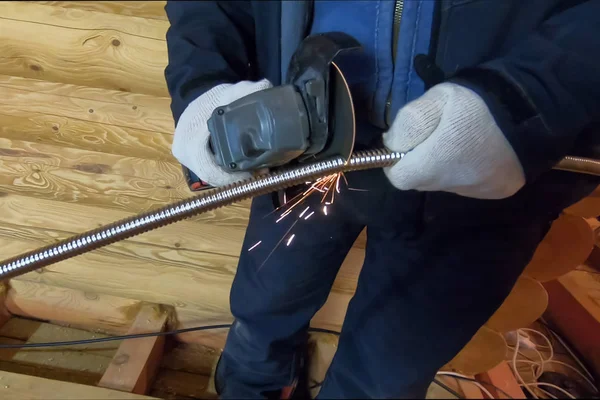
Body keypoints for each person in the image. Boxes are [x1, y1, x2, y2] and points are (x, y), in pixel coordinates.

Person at [164, 1, 600, 398]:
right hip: (306, 139)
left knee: (386, 371)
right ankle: (254, 384)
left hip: (481, 160)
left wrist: (528, 97)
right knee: (264, 305)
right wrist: (203, 85)